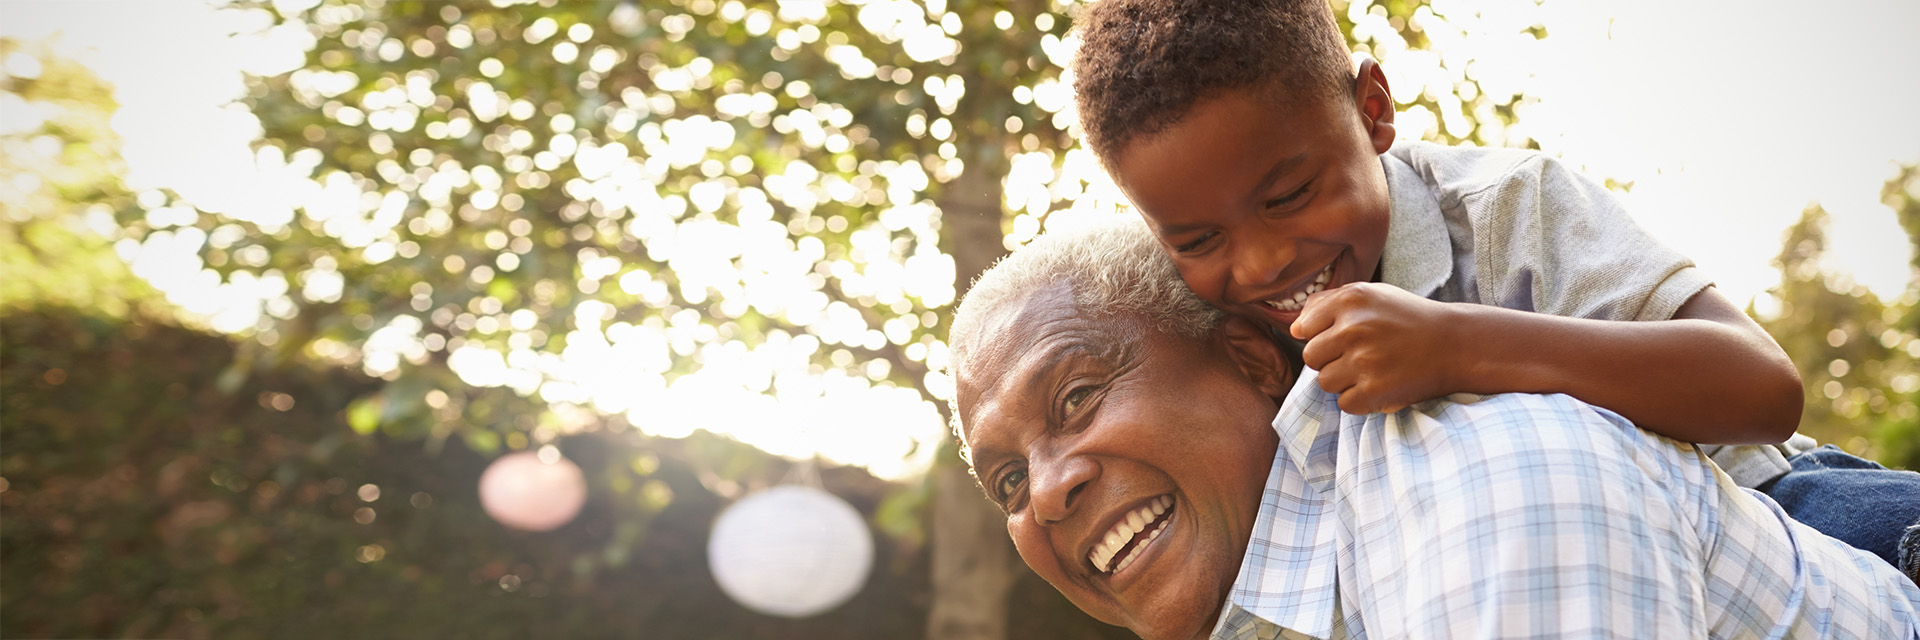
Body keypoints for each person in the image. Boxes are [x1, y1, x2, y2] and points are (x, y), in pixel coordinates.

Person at [1067, 0, 1920, 573]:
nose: (1258, 266)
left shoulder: (1503, 206)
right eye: (1198, 238)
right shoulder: (1227, 338)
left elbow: (1763, 389)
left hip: (1781, 513)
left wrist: (1461, 346)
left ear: (1372, 110)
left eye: (1288, 195)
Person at [947, 215, 1920, 640]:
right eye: (1003, 483)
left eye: (1074, 398)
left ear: (1251, 364)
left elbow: (1758, 385)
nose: (1045, 489)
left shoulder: (1485, 490)